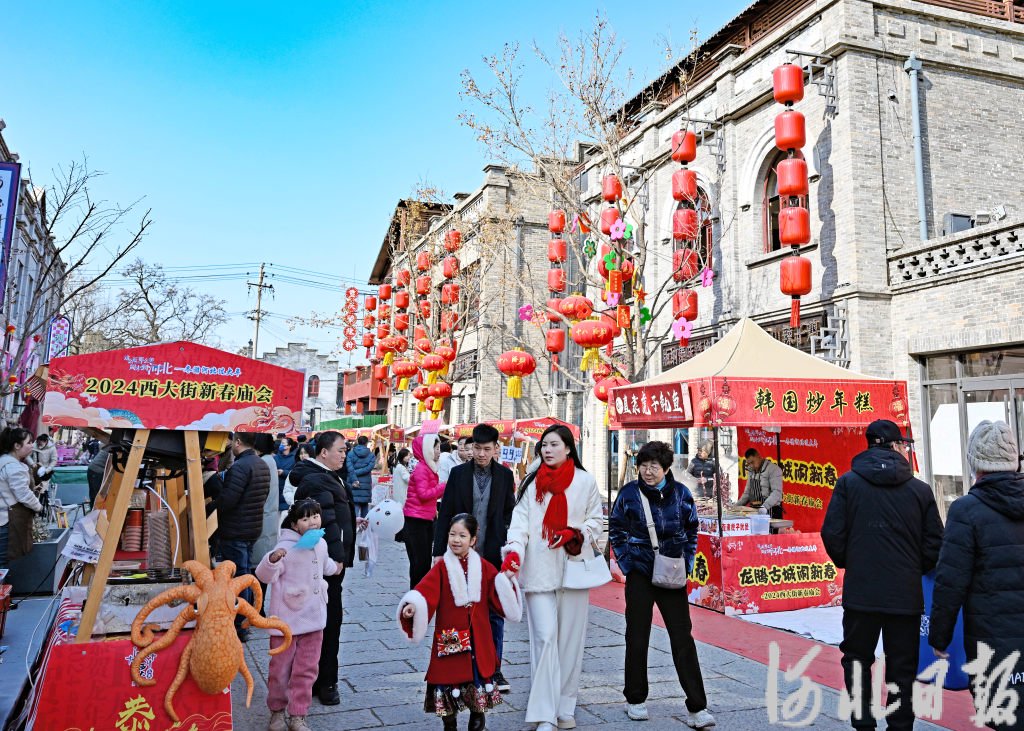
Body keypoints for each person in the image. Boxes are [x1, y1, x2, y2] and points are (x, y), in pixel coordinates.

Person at [821, 419, 943, 731]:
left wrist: (853, 561)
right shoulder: (919, 489)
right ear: (893, 445)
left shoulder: (848, 483)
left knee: (858, 660)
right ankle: (900, 726)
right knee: (902, 667)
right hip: (904, 594)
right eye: (903, 443)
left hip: (861, 592)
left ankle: (862, 723)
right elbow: (935, 544)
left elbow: (832, 533)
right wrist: (914, 567)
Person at [501, 424, 603, 731]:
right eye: (544, 445)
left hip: (573, 568)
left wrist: (576, 533)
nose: (547, 449)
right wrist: (515, 551)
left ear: (569, 448)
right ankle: (544, 713)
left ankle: (564, 706)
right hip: (539, 570)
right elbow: (519, 523)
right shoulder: (532, 483)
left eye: (554, 444)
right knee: (544, 639)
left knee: (570, 643)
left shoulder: (586, 482)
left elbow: (596, 522)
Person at [609, 441, 715, 728]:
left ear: (666, 468)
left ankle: (697, 706)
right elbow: (616, 528)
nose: (647, 471)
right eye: (643, 466)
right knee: (637, 635)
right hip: (641, 572)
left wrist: (687, 560)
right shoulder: (629, 494)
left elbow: (692, 528)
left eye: (653, 466)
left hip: (672, 572)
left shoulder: (681, 494)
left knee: (682, 638)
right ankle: (636, 698)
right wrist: (628, 563)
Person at [929, 420, 1023, 730]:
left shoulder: (967, 511)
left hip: (993, 639)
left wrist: (939, 637)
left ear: (976, 464)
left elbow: (949, 581)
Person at [398, 513, 523, 731]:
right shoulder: (441, 568)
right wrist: (413, 605)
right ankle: (450, 725)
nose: (456, 540)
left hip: (478, 638)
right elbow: (425, 591)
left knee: (478, 693)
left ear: (473, 540)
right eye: (452, 534)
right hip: (451, 637)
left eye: (462, 535)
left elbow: (498, 593)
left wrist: (506, 580)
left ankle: (477, 720)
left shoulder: (484, 567)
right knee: (447, 690)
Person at [431, 424, 516, 693]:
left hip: (491, 555)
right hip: (460, 555)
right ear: (469, 448)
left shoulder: (504, 475)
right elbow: (445, 514)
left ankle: (495, 669)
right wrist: (437, 551)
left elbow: (509, 512)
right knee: (456, 611)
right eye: (476, 448)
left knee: (494, 613)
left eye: (486, 449)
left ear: (496, 449)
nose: (480, 454)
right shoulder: (457, 474)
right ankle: (460, 667)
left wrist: (505, 541)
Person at [256, 499, 345, 731]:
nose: (312, 521)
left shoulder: (321, 543)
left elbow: (324, 567)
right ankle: (276, 711)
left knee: (307, 670)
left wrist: (336, 567)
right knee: (280, 669)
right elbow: (264, 575)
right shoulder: (285, 547)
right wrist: (272, 560)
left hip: (314, 619)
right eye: (305, 518)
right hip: (286, 621)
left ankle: (298, 714)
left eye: (315, 516)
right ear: (295, 525)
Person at [289, 431, 356, 706]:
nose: (344, 454)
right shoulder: (318, 479)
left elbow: (337, 514)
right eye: (340, 450)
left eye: (345, 450)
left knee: (326, 619)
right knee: (328, 621)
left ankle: (316, 677)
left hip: (328, 559)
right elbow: (325, 522)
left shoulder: (330, 475)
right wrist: (338, 559)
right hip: (325, 564)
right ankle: (325, 682)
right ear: (324, 452)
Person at [213, 432, 272, 640]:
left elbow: (228, 500)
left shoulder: (240, 467)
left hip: (236, 527)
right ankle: (245, 620)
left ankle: (240, 624)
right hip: (252, 527)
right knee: (245, 574)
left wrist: (214, 503)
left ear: (238, 442)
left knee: (239, 577)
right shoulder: (261, 464)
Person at [404, 422, 446, 589]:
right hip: (416, 521)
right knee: (420, 563)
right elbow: (424, 494)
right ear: (428, 449)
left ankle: (419, 594)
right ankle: (416, 595)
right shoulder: (422, 469)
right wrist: (444, 486)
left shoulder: (429, 468)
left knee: (422, 562)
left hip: (424, 518)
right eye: (436, 448)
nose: (438, 452)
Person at [0, 428, 42, 568]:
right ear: (17, 446)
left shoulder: (6, 461)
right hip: (7, 520)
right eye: (29, 442)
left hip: (5, 517)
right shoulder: (13, 467)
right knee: (2, 561)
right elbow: (23, 494)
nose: (32, 445)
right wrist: (38, 506)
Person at [253, 434, 283, 590]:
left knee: (258, 566)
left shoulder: (263, 461)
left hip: (262, 519)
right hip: (268, 517)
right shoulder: (270, 460)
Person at [735, 448, 783, 518]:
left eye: (752, 462)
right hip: (755, 511)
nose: (751, 465)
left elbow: (777, 492)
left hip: (772, 510)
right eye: (749, 463)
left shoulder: (773, 469)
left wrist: (765, 506)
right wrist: (735, 507)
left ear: (758, 456)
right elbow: (747, 493)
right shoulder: (751, 472)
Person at [345, 435, 375, 518]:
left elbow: (349, 468)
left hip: (353, 482)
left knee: (354, 507)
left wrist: (354, 477)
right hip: (365, 484)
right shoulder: (371, 455)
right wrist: (357, 472)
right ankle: (364, 529)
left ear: (358, 442)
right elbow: (369, 468)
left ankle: (354, 529)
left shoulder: (351, 454)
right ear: (366, 443)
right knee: (365, 508)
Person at [86, 442, 113, 507]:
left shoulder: (112, 445)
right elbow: (109, 467)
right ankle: (96, 514)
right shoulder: (116, 448)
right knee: (99, 496)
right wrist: (107, 483)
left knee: (94, 496)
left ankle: (93, 512)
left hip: (92, 469)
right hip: (97, 471)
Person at [274, 438, 298, 510]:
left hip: (288, 488)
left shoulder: (294, 458)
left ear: (289, 446)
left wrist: (284, 472)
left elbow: (296, 473)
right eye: (281, 443)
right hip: (277, 488)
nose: (281, 445)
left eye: (283, 443)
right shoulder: (275, 457)